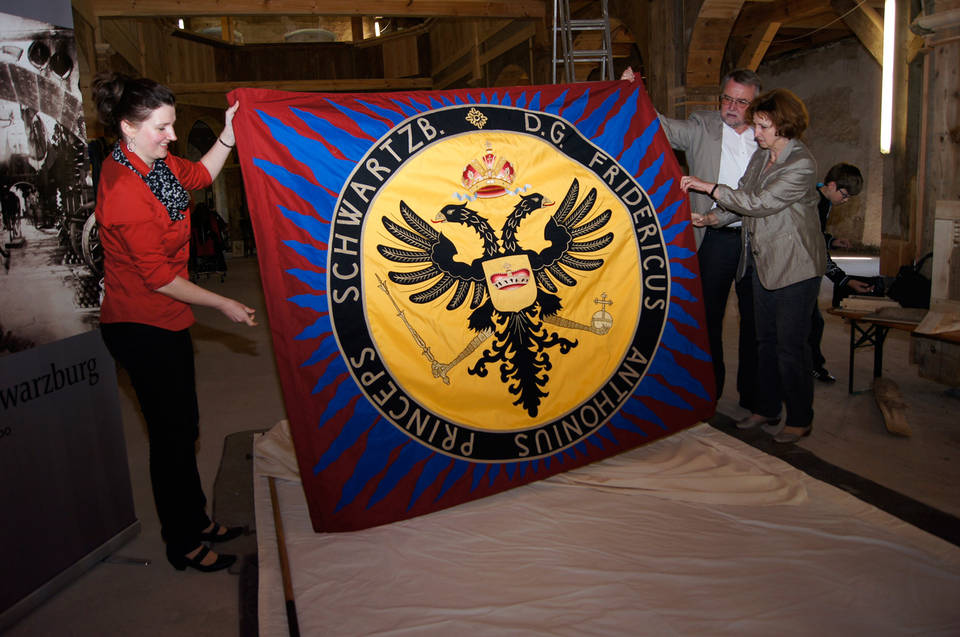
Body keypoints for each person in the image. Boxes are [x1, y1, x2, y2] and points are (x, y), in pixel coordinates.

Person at [92, 73, 257, 572]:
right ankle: (181, 543)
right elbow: (160, 278)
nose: (171, 135)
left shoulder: (154, 163)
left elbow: (201, 176)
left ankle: (197, 520)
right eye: (162, 128)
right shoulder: (123, 188)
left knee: (185, 428)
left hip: (167, 316)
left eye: (172, 124)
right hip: (139, 324)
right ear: (128, 127)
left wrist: (229, 133)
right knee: (170, 439)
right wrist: (222, 303)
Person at [680, 88, 825, 444]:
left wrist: (708, 187)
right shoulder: (762, 157)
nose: (755, 132)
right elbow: (742, 199)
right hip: (761, 260)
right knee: (765, 341)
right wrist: (711, 219)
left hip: (795, 266)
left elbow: (759, 203)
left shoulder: (801, 164)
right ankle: (766, 407)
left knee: (791, 346)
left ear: (783, 126)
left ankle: (800, 417)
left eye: (762, 126)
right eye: (756, 125)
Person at [623, 67, 762, 413]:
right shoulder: (703, 126)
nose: (731, 107)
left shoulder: (765, 134)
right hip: (714, 237)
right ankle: (708, 394)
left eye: (741, 102)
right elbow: (661, 127)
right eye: (727, 98)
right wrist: (634, 93)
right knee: (708, 319)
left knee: (756, 321)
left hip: (757, 237)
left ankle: (753, 398)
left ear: (756, 105)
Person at [809, 163, 873, 383]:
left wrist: (832, 240)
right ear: (832, 185)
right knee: (810, 324)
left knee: (813, 323)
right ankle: (809, 368)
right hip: (800, 271)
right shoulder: (815, 202)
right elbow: (816, 249)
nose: (845, 200)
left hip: (807, 267)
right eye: (844, 195)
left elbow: (817, 234)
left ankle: (810, 366)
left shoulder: (823, 199)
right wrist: (844, 280)